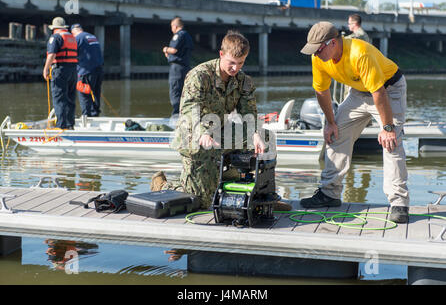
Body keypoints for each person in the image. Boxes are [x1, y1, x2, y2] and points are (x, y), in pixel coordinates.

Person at [152, 31, 291, 212]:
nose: (235, 68)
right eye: (231, 63)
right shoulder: (199, 76)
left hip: (221, 132)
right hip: (194, 137)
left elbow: (248, 111)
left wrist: (255, 133)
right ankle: (162, 185)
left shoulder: (243, 81)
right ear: (221, 54)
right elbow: (189, 110)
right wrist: (203, 133)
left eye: (240, 63)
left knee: (266, 136)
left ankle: (262, 196)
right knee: (201, 202)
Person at [299, 21, 409, 223]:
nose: (315, 55)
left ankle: (399, 203)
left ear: (333, 43)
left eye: (318, 50)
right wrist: (330, 122)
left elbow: (379, 93)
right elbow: (322, 91)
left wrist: (387, 128)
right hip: (358, 93)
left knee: (391, 142)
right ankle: (329, 194)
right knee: (336, 133)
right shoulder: (319, 58)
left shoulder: (360, 53)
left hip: (389, 90)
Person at [43, 17, 77, 130]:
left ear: (54, 28)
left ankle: (61, 126)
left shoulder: (56, 37)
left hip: (60, 70)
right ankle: (70, 124)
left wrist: (46, 68)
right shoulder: (71, 37)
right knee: (70, 98)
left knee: (59, 98)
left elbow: (52, 54)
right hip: (72, 70)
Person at [162, 17, 194, 117]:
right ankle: (185, 115)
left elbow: (174, 50)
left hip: (177, 69)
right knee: (183, 92)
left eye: (172, 26)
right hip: (185, 67)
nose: (171, 29)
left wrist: (166, 49)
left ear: (175, 26)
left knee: (175, 92)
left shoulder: (179, 35)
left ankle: (176, 117)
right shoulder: (187, 35)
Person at [70, 24, 104, 117]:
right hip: (98, 70)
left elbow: (72, 53)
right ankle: (95, 113)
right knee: (96, 93)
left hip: (85, 71)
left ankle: (87, 116)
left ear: (73, 32)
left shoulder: (77, 38)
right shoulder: (92, 36)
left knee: (84, 94)